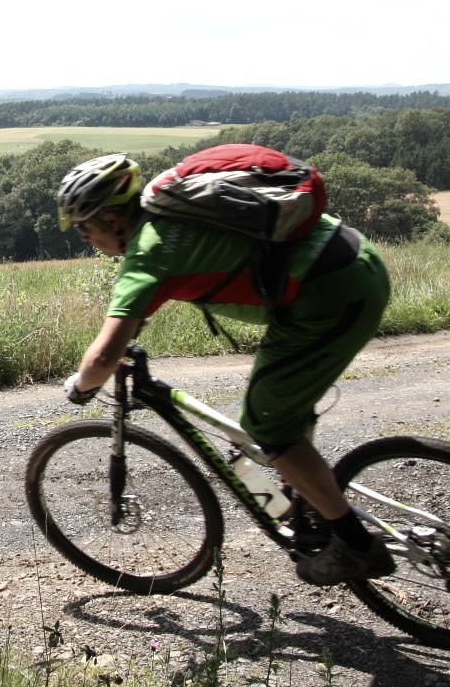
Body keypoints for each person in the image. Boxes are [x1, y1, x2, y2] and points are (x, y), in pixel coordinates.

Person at [54, 152, 394, 585]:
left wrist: (82, 387)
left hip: (329, 295)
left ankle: (355, 546)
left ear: (112, 219)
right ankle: (306, 496)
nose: (84, 237)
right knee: (277, 408)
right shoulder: (172, 210)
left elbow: (102, 358)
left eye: (85, 226)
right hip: (353, 259)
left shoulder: (149, 253)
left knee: (268, 428)